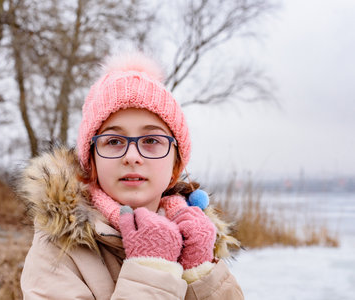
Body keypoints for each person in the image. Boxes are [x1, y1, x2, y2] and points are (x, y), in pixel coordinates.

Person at [19, 52, 244, 299]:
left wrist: (200, 274)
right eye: (114, 140)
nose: (132, 156)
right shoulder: (57, 250)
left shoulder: (196, 238)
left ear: (175, 164)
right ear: (92, 160)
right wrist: (152, 269)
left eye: (151, 140)